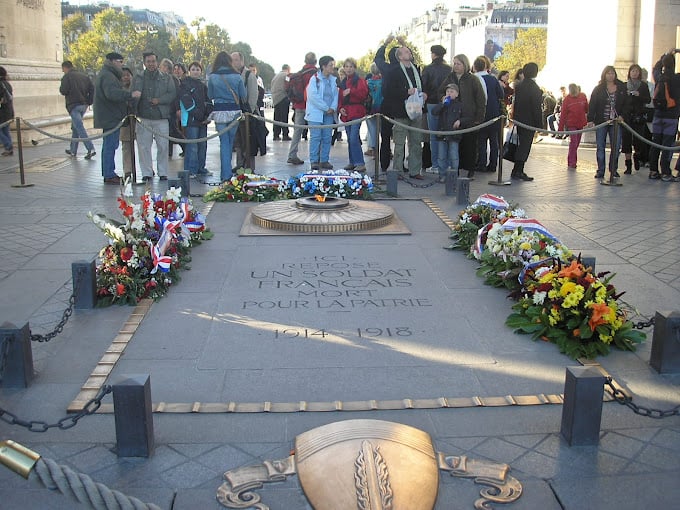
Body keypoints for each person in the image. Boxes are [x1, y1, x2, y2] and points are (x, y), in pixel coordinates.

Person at [93, 52, 140, 184]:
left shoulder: (108, 74)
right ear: (112, 61)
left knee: (110, 144)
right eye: (120, 61)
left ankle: (108, 172)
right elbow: (112, 94)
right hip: (110, 116)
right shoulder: (108, 76)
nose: (122, 64)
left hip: (110, 115)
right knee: (110, 145)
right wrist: (129, 94)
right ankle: (108, 173)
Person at [438, 54, 485, 179]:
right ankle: (455, 171)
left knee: (470, 145)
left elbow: (480, 99)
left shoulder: (473, 79)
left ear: (465, 64)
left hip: (469, 117)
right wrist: (443, 97)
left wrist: (479, 118)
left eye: (458, 63)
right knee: (455, 146)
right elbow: (440, 91)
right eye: (454, 63)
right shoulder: (450, 78)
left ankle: (470, 169)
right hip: (452, 117)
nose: (456, 66)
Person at [383, 44, 425, 179]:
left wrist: (423, 94)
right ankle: (398, 170)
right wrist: (405, 92)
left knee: (416, 142)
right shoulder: (393, 71)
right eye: (406, 52)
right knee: (399, 143)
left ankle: (415, 170)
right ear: (400, 56)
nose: (409, 53)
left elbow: (420, 86)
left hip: (416, 110)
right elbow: (387, 91)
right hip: (400, 111)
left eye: (409, 51)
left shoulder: (415, 69)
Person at [132, 52, 175, 182]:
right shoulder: (138, 77)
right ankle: (147, 172)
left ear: (157, 62)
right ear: (144, 63)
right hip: (143, 117)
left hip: (161, 117)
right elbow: (132, 94)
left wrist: (160, 100)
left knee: (163, 145)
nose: (151, 64)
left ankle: (163, 172)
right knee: (144, 146)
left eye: (153, 61)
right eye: (148, 61)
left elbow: (172, 94)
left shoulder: (166, 78)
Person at [207, 51, 246, 182]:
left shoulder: (212, 76)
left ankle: (225, 174)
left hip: (219, 112)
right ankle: (227, 173)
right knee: (230, 141)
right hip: (234, 112)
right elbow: (243, 94)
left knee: (224, 142)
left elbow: (210, 95)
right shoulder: (237, 76)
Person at [586, 65, 628, 179]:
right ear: (604, 75)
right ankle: (601, 170)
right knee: (600, 146)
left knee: (616, 146)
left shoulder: (621, 87)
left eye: (612, 73)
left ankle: (613, 169)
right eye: (608, 73)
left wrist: (623, 115)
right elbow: (592, 104)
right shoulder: (599, 89)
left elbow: (626, 104)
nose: (610, 75)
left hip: (616, 121)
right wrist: (590, 119)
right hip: (602, 121)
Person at [648, 50, 680, 181]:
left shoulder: (658, 76)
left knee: (655, 143)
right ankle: (666, 172)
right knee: (667, 146)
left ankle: (653, 171)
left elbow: (655, 68)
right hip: (671, 116)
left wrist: (665, 55)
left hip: (658, 115)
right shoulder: (677, 78)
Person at [421, 44, 452, 176]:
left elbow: (424, 86)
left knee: (433, 135)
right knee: (446, 135)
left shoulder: (427, 69)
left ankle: (435, 164)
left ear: (433, 54)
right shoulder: (449, 69)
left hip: (432, 103)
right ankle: (447, 164)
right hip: (446, 103)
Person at [510, 62, 543, 181]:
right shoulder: (535, 88)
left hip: (519, 119)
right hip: (529, 122)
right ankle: (518, 170)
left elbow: (516, 104)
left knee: (521, 145)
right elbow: (536, 108)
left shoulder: (519, 86)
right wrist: (540, 125)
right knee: (525, 146)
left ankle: (517, 169)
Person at [305, 55, 338, 170]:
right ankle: (314, 160)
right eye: (330, 65)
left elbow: (335, 95)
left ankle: (324, 159)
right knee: (316, 137)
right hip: (316, 113)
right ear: (323, 66)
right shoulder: (315, 79)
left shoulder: (333, 80)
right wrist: (325, 108)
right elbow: (313, 96)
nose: (332, 67)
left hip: (329, 114)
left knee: (327, 137)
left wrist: (333, 107)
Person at [180, 61, 211, 178]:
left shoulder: (203, 86)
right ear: (189, 71)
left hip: (203, 121)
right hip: (191, 121)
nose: (195, 71)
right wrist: (200, 116)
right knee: (192, 146)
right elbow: (187, 103)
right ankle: (191, 170)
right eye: (193, 69)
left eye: (198, 69)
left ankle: (201, 168)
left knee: (202, 145)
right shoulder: (184, 84)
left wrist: (207, 115)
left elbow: (208, 101)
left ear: (201, 72)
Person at [473, 56, 504, 174]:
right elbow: (500, 94)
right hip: (494, 113)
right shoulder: (493, 79)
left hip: (480, 114)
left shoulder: (474, 78)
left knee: (481, 141)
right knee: (493, 141)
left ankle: (481, 163)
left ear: (475, 66)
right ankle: (493, 165)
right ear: (486, 66)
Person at [59, 61, 96, 159]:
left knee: (79, 127)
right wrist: (89, 101)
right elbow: (92, 89)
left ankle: (90, 148)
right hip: (83, 105)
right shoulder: (84, 76)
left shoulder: (67, 77)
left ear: (65, 68)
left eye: (63, 69)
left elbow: (63, 91)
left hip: (73, 105)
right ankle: (73, 150)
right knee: (75, 127)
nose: (63, 71)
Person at [337, 57, 368, 171]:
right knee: (350, 138)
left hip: (357, 111)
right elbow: (340, 97)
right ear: (344, 68)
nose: (348, 69)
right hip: (347, 112)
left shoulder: (359, 80)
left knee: (354, 137)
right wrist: (340, 108)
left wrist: (352, 91)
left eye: (351, 66)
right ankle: (352, 161)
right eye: (346, 66)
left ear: (354, 68)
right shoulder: (343, 82)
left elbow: (363, 94)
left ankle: (360, 162)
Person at [287, 52, 317, 166]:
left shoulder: (299, 73)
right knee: (315, 133)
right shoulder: (314, 74)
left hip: (298, 105)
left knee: (297, 132)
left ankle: (292, 154)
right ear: (315, 61)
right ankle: (315, 157)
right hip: (311, 106)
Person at [231, 51, 259, 171]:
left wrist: (249, 114)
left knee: (248, 142)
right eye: (231, 60)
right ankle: (239, 165)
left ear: (242, 61)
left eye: (236, 60)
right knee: (238, 142)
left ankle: (249, 167)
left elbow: (253, 96)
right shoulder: (231, 75)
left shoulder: (249, 75)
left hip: (246, 114)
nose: (233, 63)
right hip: (235, 114)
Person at [621, 64, 651, 174]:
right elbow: (621, 101)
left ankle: (637, 156)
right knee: (626, 141)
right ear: (629, 72)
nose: (634, 73)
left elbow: (648, 100)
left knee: (639, 140)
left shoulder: (643, 86)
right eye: (632, 71)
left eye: (636, 71)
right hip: (627, 117)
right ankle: (628, 166)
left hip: (638, 116)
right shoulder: (624, 86)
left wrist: (639, 95)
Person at [432, 83, 463, 182]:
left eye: (451, 92)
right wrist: (442, 104)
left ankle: (454, 175)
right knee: (441, 156)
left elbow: (466, 116)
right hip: (442, 133)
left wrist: (460, 121)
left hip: (454, 134)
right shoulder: (443, 105)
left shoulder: (460, 105)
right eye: (447, 91)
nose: (449, 93)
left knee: (454, 156)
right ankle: (442, 175)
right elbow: (434, 112)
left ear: (457, 94)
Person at [558, 83, 589, 169]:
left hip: (580, 123)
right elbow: (563, 114)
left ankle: (571, 159)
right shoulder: (567, 100)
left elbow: (586, 108)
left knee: (576, 143)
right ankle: (572, 162)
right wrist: (560, 129)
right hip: (571, 124)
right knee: (573, 142)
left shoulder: (583, 96)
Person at [160, 58, 185, 159]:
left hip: (170, 109)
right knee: (168, 132)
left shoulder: (172, 79)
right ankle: (169, 152)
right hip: (166, 109)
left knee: (173, 131)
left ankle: (185, 146)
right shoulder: (165, 78)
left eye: (162, 66)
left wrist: (177, 109)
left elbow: (176, 95)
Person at [118, 66, 136, 179]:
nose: (126, 77)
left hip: (138, 119)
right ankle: (128, 170)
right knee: (126, 147)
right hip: (125, 121)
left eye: (127, 75)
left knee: (144, 146)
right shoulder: (118, 90)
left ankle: (148, 169)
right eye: (123, 75)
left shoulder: (137, 88)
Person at [365, 63, 382, 159]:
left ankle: (375, 151)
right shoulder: (384, 82)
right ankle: (387, 151)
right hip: (382, 108)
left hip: (370, 108)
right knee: (383, 132)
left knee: (372, 131)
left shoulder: (368, 82)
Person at [270, 64, 291, 140]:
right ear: (288, 69)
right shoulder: (287, 75)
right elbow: (288, 85)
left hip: (275, 98)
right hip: (283, 97)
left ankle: (276, 135)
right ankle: (285, 134)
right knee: (284, 117)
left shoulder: (275, 76)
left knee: (277, 117)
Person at [0, 66, 14, 157]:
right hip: (9, 110)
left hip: (2, 111)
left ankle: (8, 145)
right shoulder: (7, 83)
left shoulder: (0, 84)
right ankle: (9, 148)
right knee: (5, 130)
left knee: (3, 130)